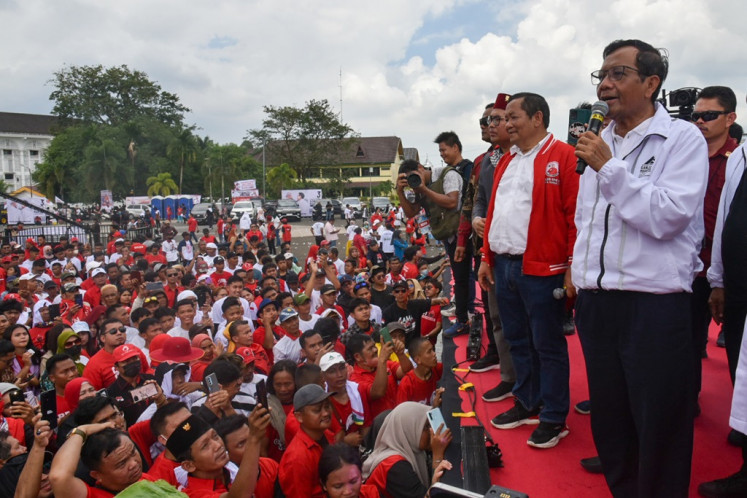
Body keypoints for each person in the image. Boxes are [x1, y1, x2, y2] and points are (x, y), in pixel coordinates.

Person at [573, 39, 707, 496]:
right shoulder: (598, 141)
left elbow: (668, 217)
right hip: (597, 304)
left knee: (659, 427)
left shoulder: (682, 139)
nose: (605, 86)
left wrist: (610, 170)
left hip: (653, 307)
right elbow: (586, 223)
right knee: (611, 423)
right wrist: (579, 278)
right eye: (601, 76)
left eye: (618, 74)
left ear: (652, 83)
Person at [477, 92, 578, 449]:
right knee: (517, 339)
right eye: (503, 118)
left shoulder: (564, 156)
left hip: (542, 268)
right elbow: (495, 214)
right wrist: (487, 257)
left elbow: (574, 218)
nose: (505, 124)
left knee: (547, 344)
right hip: (504, 265)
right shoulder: (506, 160)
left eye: (512, 117)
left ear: (537, 118)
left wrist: (569, 269)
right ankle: (527, 401)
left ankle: (553, 417)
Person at [362, 401, 452, 498]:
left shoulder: (410, 450)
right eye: (426, 427)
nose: (432, 431)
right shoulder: (395, 467)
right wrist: (437, 455)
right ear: (409, 430)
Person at [278, 384, 336, 498]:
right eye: (317, 410)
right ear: (299, 417)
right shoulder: (297, 457)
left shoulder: (327, 435)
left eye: (327, 406)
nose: (325, 413)